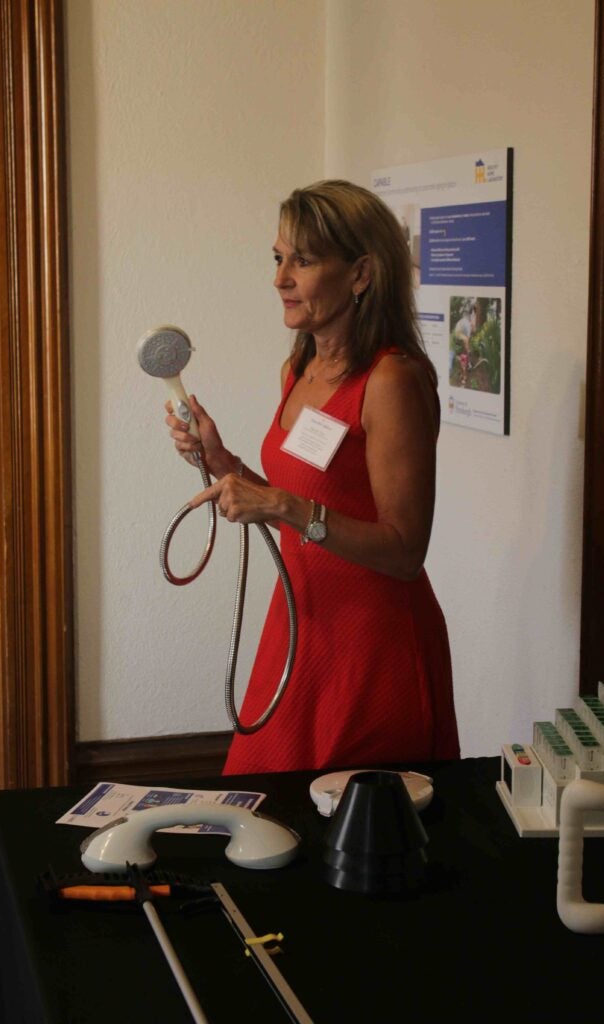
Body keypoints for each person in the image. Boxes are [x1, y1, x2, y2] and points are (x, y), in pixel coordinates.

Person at [165, 179, 460, 773]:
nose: (280, 279)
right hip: (302, 624)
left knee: (353, 839)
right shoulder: (298, 365)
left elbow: (405, 551)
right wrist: (224, 463)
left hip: (372, 643)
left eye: (302, 260)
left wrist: (279, 506)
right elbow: (303, 498)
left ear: (360, 274)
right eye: (279, 258)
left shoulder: (392, 382)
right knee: (264, 804)